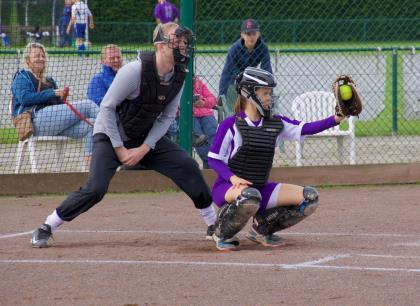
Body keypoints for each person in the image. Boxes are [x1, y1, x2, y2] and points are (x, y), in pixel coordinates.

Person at [30, 22, 218, 248]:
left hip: (142, 137)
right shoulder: (134, 71)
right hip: (110, 134)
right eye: (175, 41)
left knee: (187, 166)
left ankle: (214, 224)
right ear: (159, 45)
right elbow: (107, 109)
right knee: (96, 189)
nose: (182, 46)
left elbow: (167, 118)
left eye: (184, 42)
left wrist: (144, 148)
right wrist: (120, 149)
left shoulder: (179, 75)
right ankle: (48, 225)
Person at [208, 67, 346, 251]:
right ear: (249, 93)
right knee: (250, 196)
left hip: (260, 187)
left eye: (270, 93)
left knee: (309, 198)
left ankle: (261, 229)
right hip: (229, 188)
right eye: (265, 93)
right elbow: (214, 159)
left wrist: (336, 119)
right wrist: (232, 178)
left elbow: (307, 128)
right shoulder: (230, 125)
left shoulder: (275, 122)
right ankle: (221, 233)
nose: (269, 98)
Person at [11, 42, 98, 164]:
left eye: (43, 56)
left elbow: (57, 106)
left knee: (93, 124)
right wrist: (53, 93)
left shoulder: (49, 80)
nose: (41, 58)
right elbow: (25, 98)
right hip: (35, 122)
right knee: (88, 105)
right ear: (27, 59)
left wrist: (61, 98)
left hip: (55, 122)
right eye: (37, 56)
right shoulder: (22, 76)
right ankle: (117, 129)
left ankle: (90, 164)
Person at [218, 19, 272, 101]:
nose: (251, 37)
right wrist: (221, 95)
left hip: (251, 75)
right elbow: (226, 72)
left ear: (259, 34)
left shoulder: (263, 47)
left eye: (254, 33)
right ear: (242, 35)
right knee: (232, 97)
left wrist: (269, 91)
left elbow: (267, 69)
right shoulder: (234, 49)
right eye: (248, 34)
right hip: (235, 76)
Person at [192, 75, 218, 168]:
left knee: (213, 133)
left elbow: (213, 99)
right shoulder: (177, 83)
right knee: (199, 139)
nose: (193, 79)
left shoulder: (198, 82)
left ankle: (212, 163)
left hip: (205, 112)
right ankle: (211, 165)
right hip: (189, 115)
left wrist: (203, 102)